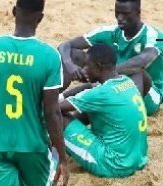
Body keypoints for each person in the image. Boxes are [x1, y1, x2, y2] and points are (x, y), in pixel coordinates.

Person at [0, 0, 68, 186]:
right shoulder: (49, 55)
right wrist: (62, 156)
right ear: (41, 18)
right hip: (32, 145)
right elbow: (52, 112)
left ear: (13, 12)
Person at [58, 0, 163, 115]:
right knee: (74, 55)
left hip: (149, 94)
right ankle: (53, 98)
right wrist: (70, 65)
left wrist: (103, 74)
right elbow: (65, 45)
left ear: (138, 12)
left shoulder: (156, 36)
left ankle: (131, 113)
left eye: (125, 14)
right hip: (111, 81)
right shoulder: (110, 32)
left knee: (136, 72)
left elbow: (141, 62)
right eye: (117, 12)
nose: (120, 18)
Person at [59, 44, 148, 178]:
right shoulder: (126, 81)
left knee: (58, 118)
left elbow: (53, 108)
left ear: (98, 66)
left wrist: (54, 94)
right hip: (137, 159)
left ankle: (48, 151)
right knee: (89, 111)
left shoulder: (101, 94)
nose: (84, 70)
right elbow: (90, 89)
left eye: (87, 66)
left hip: (112, 164)